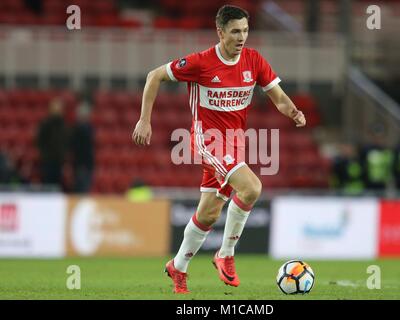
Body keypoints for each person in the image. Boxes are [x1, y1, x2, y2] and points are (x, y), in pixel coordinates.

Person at [132, 5, 306, 294]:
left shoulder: (254, 60)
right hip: (207, 140)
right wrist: (144, 120)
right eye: (236, 31)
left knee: (210, 213)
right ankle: (225, 253)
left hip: (234, 144)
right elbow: (154, 76)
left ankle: (178, 266)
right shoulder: (201, 63)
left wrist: (294, 111)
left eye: (246, 30)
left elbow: (279, 98)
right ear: (220, 32)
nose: (242, 37)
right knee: (251, 188)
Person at [36, 97, 68, 189]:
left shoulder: (63, 125)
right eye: (54, 108)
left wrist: (63, 156)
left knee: (58, 186)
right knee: (47, 186)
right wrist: (44, 154)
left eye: (58, 108)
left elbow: (66, 142)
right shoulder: (45, 124)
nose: (56, 110)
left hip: (59, 161)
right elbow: (39, 141)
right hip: (47, 161)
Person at [70, 102, 94, 193]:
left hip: (84, 164)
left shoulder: (88, 128)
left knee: (83, 188)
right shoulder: (80, 130)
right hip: (82, 164)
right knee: (82, 189)